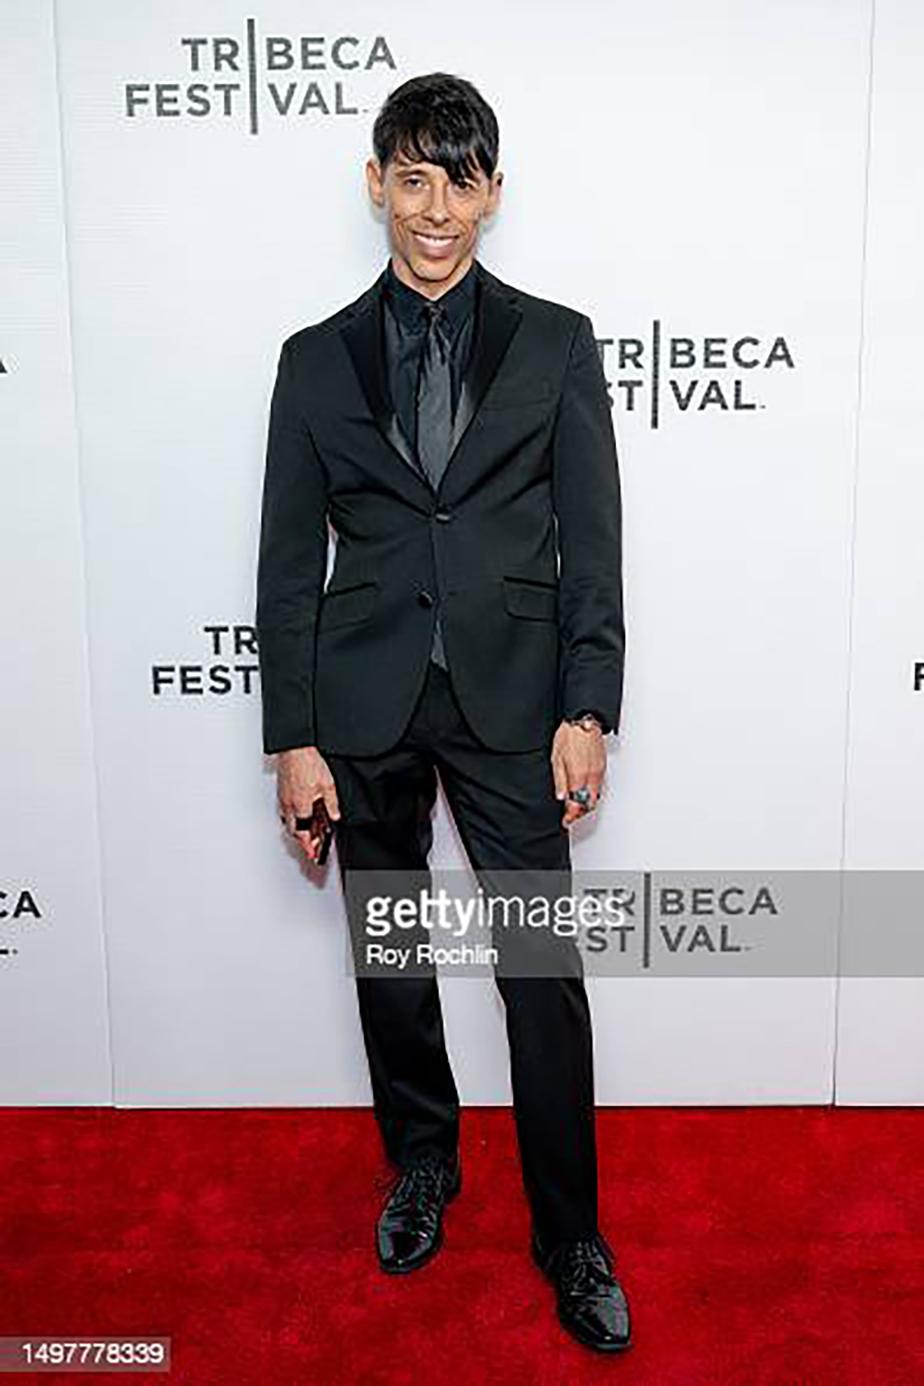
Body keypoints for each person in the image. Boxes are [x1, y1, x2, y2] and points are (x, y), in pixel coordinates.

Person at [255, 72, 630, 1353]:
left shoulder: (557, 342)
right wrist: (293, 736)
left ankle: (570, 1233)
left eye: (458, 182)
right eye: (411, 179)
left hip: (514, 701)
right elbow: (286, 564)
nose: (434, 209)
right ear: (376, 184)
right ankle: (422, 1162)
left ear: (493, 193)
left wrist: (589, 704)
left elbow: (593, 542)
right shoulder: (313, 361)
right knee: (391, 952)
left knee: (541, 972)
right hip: (361, 704)